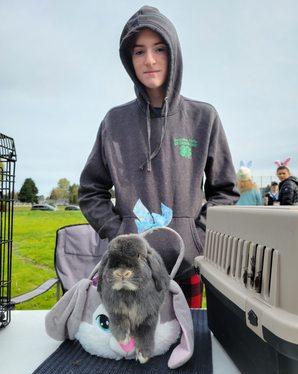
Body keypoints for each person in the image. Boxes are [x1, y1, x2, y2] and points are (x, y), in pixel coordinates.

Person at [78, 6, 239, 308]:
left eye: (159, 49)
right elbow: (90, 191)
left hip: (187, 266)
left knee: (187, 349)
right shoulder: (114, 122)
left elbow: (225, 192)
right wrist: (119, 235)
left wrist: (198, 238)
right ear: (129, 59)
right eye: (139, 52)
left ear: (174, 53)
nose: (149, 60)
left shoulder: (204, 118)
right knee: (134, 348)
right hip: (129, 269)